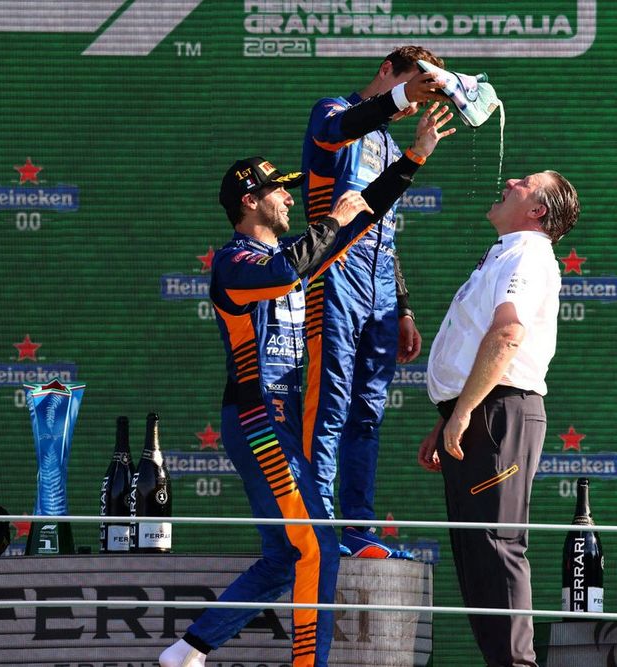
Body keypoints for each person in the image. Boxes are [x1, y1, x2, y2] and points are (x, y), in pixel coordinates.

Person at [159, 103, 454, 667]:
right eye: (278, 191)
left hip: (282, 422)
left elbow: (359, 217)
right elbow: (289, 270)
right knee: (318, 546)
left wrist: (413, 157)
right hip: (259, 420)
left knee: (282, 557)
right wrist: (337, 220)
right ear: (250, 201)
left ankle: (186, 652)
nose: (290, 197)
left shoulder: (284, 253)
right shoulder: (236, 262)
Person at [418, 171, 580, 667]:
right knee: (477, 555)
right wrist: (451, 411)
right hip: (483, 410)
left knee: (497, 544)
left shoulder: (528, 252)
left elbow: (508, 334)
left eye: (526, 182)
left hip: (497, 413)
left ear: (537, 211)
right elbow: (478, 346)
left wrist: (464, 410)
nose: (510, 180)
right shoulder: (509, 250)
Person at [300, 46, 448, 558]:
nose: (410, 105)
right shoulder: (333, 112)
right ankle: (317, 529)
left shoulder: (388, 142)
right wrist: (404, 97)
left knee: (368, 411)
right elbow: (338, 131)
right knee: (329, 406)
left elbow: (384, 226)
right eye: (409, 88)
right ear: (387, 70)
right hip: (333, 270)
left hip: (379, 281)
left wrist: (402, 305)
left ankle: (357, 530)